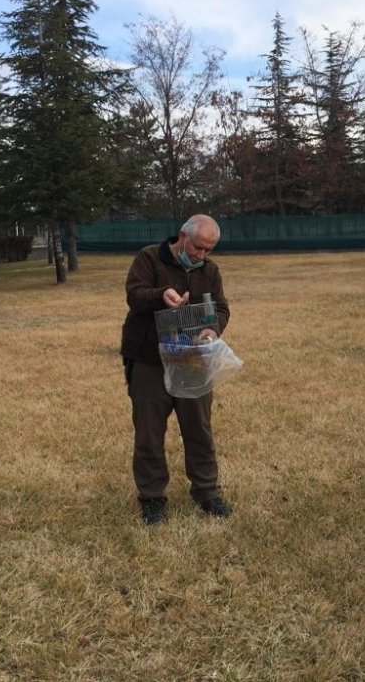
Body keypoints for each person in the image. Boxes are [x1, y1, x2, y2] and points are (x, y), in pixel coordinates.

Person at [120, 213, 233, 525]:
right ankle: (152, 498)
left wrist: (212, 330)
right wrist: (160, 296)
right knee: (149, 433)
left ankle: (208, 494)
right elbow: (134, 295)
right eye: (198, 247)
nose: (201, 255)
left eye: (208, 250)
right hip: (148, 360)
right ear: (183, 236)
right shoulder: (148, 258)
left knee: (199, 429)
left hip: (192, 360)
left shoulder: (209, 271)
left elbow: (220, 308)